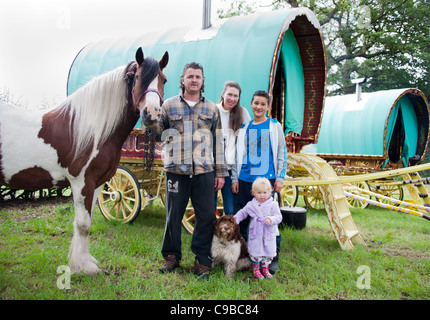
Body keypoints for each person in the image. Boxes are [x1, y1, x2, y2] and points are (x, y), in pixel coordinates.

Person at [145, 62, 228, 279]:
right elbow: (157, 135)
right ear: (182, 80)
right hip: (176, 171)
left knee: (207, 216)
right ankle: (172, 257)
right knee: (173, 216)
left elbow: (218, 142)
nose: (194, 80)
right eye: (190, 76)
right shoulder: (169, 106)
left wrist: (220, 172)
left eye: (197, 77)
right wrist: (150, 122)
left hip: (204, 172)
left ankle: (202, 260)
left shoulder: (212, 109)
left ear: (202, 81)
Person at [231, 90, 287, 274]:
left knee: (269, 223)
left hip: (266, 182)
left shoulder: (273, 126)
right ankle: (248, 257)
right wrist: (235, 178)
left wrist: (279, 177)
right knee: (246, 222)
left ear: (268, 106)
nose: (259, 107)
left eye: (263, 104)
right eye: (256, 103)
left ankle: (272, 257)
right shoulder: (245, 128)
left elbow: (281, 152)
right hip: (245, 179)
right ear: (251, 103)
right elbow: (237, 155)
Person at [234, 177, 282, 279]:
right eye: (258, 192)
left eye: (265, 192)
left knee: (267, 251)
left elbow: (279, 217)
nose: (262, 195)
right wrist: (235, 220)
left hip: (268, 232)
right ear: (253, 192)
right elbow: (243, 212)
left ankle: (265, 269)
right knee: (256, 251)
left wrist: (271, 219)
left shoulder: (273, 204)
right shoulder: (252, 204)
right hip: (256, 232)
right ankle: (256, 269)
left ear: (270, 192)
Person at [214, 81, 251, 215]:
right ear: (223, 94)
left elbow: (248, 139)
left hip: (231, 170)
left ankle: (232, 235)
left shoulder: (242, 113)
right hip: (214, 168)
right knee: (210, 208)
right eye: (229, 94)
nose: (232, 98)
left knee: (230, 209)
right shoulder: (214, 110)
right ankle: (211, 235)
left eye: (236, 96)